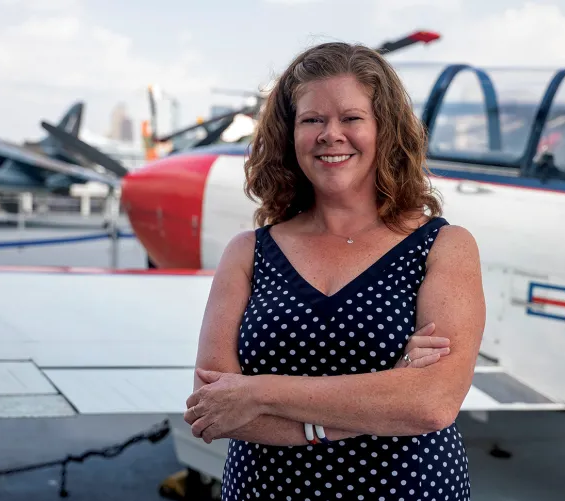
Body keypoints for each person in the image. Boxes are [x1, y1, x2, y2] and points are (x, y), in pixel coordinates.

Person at [183, 42, 486, 500]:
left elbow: (430, 403)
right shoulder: (247, 253)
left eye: (351, 118)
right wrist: (384, 397)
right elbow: (212, 410)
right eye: (312, 120)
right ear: (290, 135)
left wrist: (259, 392)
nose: (331, 134)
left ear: (384, 130)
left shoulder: (444, 245)